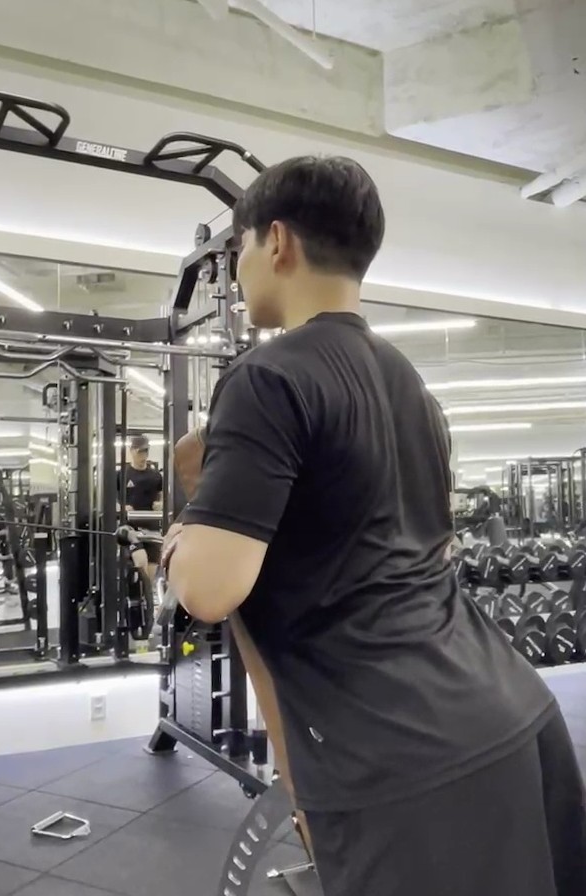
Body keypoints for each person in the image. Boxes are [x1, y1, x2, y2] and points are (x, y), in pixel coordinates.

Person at [163, 157, 586, 896]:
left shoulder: (267, 376)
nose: (240, 270)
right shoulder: (408, 382)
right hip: (515, 714)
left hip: (400, 756)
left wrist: (176, 542)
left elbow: (208, 590)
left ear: (277, 241)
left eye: (241, 248)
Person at [117, 435, 163, 579]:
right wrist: (122, 507)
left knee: (151, 574)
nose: (144, 456)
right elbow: (112, 500)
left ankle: (145, 593)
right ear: (131, 451)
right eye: (140, 452)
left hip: (151, 527)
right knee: (141, 562)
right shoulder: (122, 475)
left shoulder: (155, 476)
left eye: (146, 452)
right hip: (131, 528)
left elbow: (162, 496)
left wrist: (160, 504)